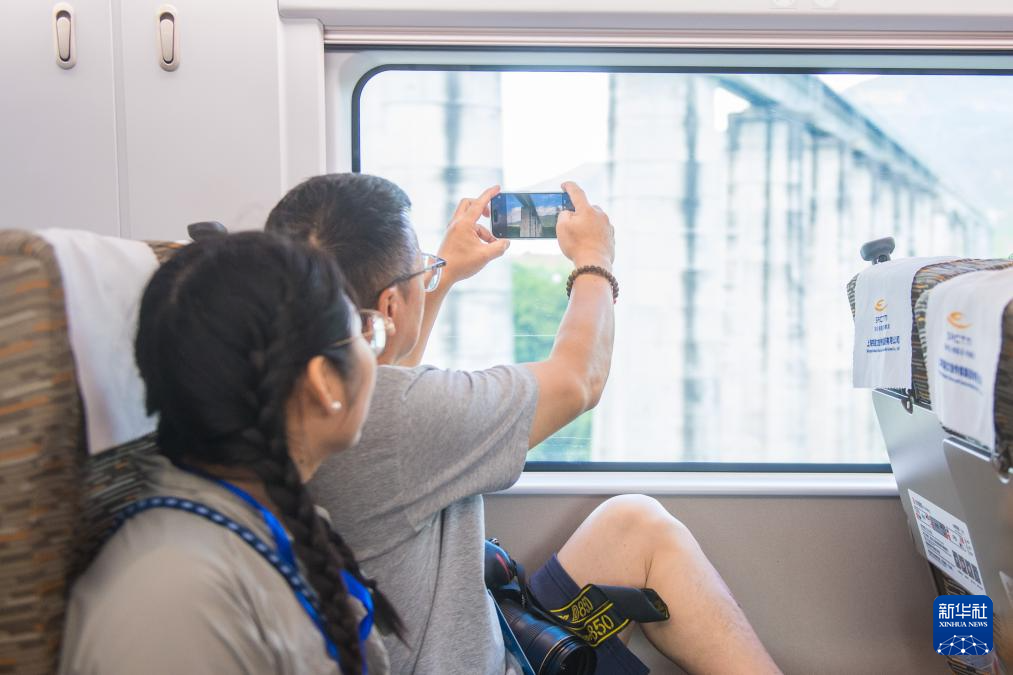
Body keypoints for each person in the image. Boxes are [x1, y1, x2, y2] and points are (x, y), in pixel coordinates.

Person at [266, 174, 781, 675]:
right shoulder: (401, 419)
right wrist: (594, 260)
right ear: (389, 306)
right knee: (645, 529)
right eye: (419, 269)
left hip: (485, 637)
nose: (427, 274)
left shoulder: (286, 397)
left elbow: (384, 372)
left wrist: (442, 276)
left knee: (631, 524)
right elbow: (579, 379)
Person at [60, 232, 401, 675]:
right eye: (361, 331)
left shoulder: (267, 522)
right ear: (324, 383)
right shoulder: (173, 600)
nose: (376, 346)